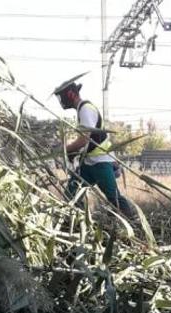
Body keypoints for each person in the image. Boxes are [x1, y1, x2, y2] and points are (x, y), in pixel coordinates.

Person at [53, 74, 135, 218]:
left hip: (100, 163)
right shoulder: (81, 110)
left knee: (114, 198)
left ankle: (133, 224)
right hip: (88, 164)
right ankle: (73, 223)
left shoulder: (85, 109)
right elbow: (84, 140)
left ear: (70, 94)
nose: (61, 101)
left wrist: (63, 149)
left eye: (62, 97)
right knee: (72, 194)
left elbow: (84, 140)